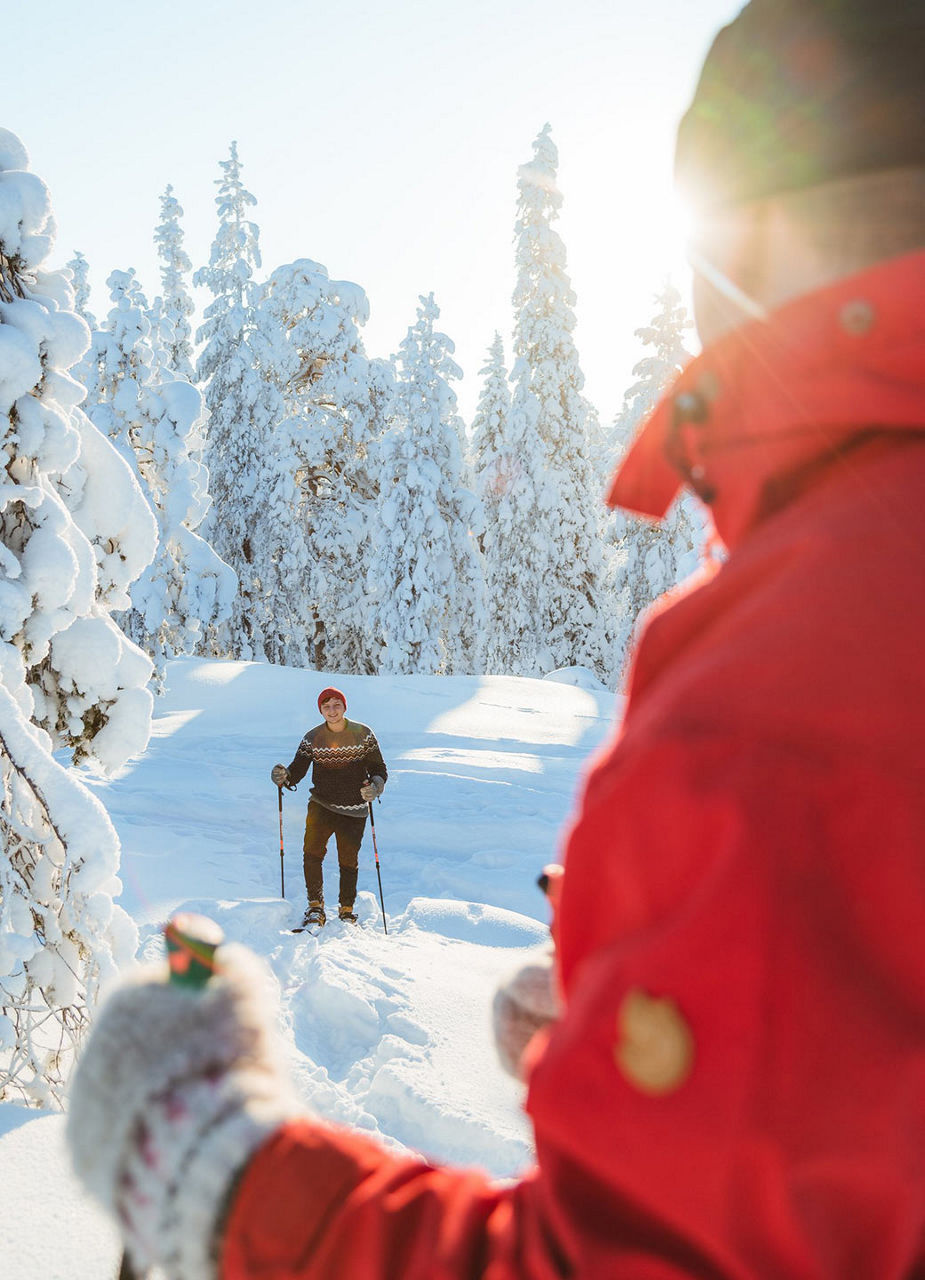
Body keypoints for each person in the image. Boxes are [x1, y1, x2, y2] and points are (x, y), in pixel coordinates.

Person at [67, 1, 925, 1275]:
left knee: (343, 861)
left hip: (355, 825)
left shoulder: (790, 676)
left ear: (733, 241)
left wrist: (213, 1174)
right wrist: (681, 1040)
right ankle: (327, 908)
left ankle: (337, 911)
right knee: (323, 859)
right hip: (330, 816)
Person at [271, 687, 387, 927]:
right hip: (321, 804)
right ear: (320, 710)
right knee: (312, 854)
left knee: (348, 860)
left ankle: (346, 909)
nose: (332, 710)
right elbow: (298, 770)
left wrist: (375, 787)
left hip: (354, 809)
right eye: (326, 706)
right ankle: (315, 906)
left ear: (344, 707)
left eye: (336, 705)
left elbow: (379, 770)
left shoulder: (363, 734)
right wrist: (284, 777)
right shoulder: (312, 738)